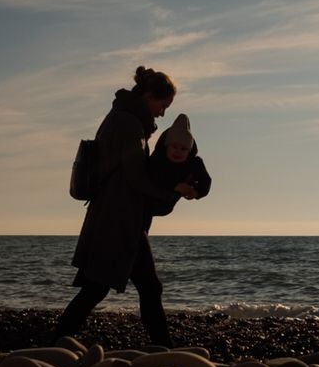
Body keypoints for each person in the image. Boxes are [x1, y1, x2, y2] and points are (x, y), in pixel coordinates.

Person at [53, 66, 196, 347]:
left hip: (119, 218)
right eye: (162, 105)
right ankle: (57, 341)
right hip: (117, 221)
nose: (163, 113)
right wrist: (173, 191)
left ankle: (161, 347)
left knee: (131, 287)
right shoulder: (128, 124)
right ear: (149, 95)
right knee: (107, 288)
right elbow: (135, 178)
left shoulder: (125, 119)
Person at [146, 113, 212, 217]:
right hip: (146, 202)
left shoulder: (193, 163)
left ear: (189, 151)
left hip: (166, 205)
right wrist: (175, 186)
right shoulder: (158, 159)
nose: (178, 152)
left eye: (183, 149)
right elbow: (151, 178)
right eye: (174, 147)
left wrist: (196, 192)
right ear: (167, 146)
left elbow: (206, 180)